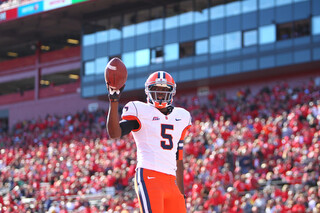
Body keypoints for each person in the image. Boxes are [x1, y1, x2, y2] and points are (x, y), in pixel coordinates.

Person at [106, 71, 191, 213]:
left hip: (171, 181)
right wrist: (113, 101)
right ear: (148, 91)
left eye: (165, 90)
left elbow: (179, 159)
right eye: (156, 89)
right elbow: (115, 133)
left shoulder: (182, 116)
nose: (161, 93)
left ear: (172, 92)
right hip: (149, 176)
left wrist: (181, 194)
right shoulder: (140, 110)